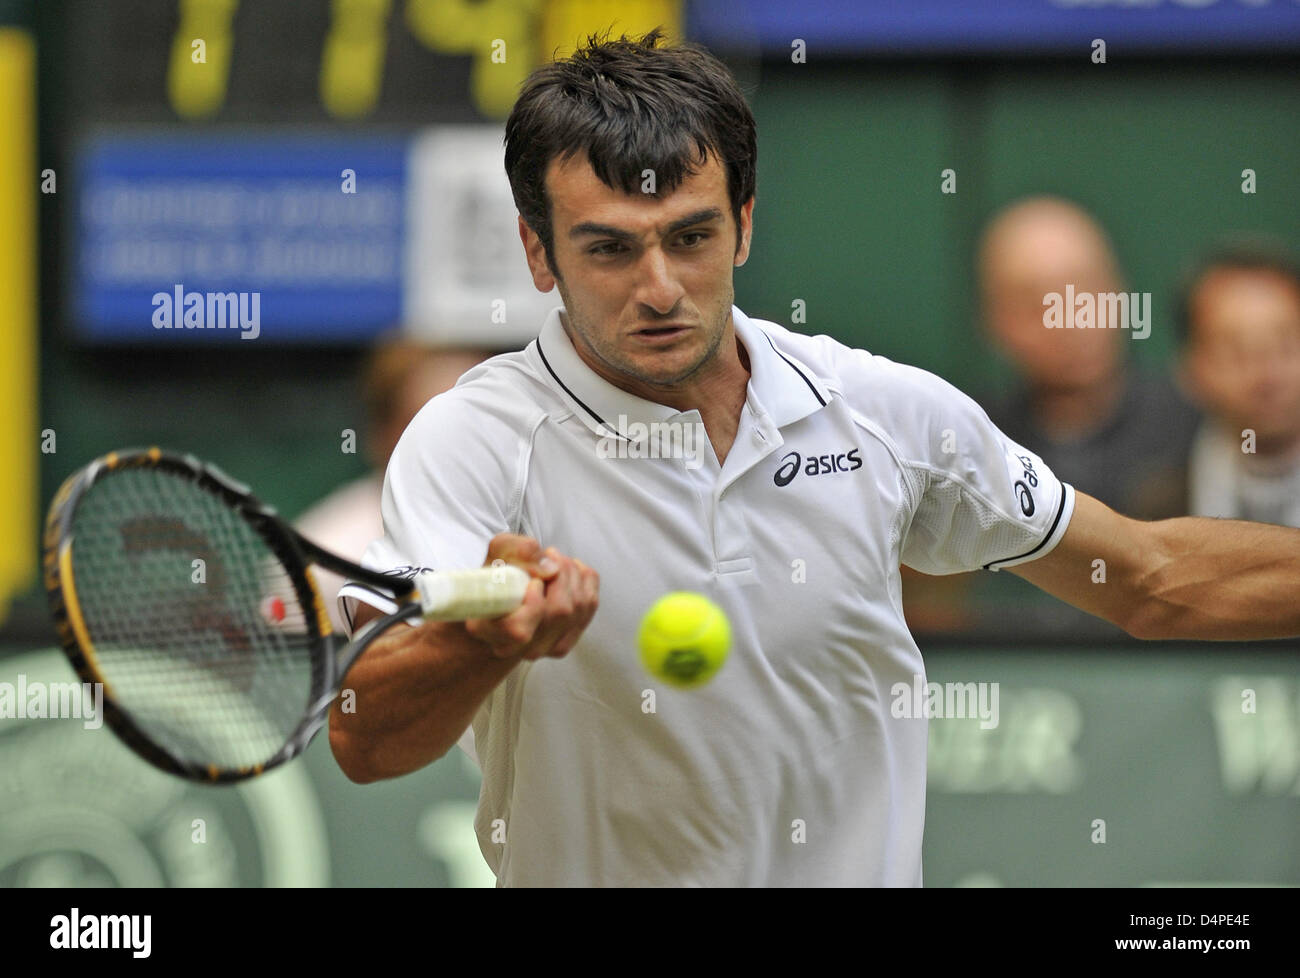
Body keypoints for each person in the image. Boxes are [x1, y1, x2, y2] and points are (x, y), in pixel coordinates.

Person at [330, 29, 1300, 887]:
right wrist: (484, 638)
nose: (660, 287)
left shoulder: (885, 413)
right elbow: (363, 739)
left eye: (692, 236)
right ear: (538, 256)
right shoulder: (471, 444)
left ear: (744, 224)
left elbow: (1150, 579)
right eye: (609, 250)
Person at [977, 195, 1200, 521]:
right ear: (994, 320)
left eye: (1089, 291)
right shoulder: (975, 448)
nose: (1071, 320)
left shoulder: (1204, 428)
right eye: (1038, 305)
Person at [295, 338, 489, 632]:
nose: (462, 444)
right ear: (381, 435)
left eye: (479, 422)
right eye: (433, 425)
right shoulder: (321, 562)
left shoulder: (543, 521)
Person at [1176, 239, 1300, 528]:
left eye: (1285, 344)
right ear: (1192, 369)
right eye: (1236, 351)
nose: (1267, 373)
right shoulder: (1161, 509)